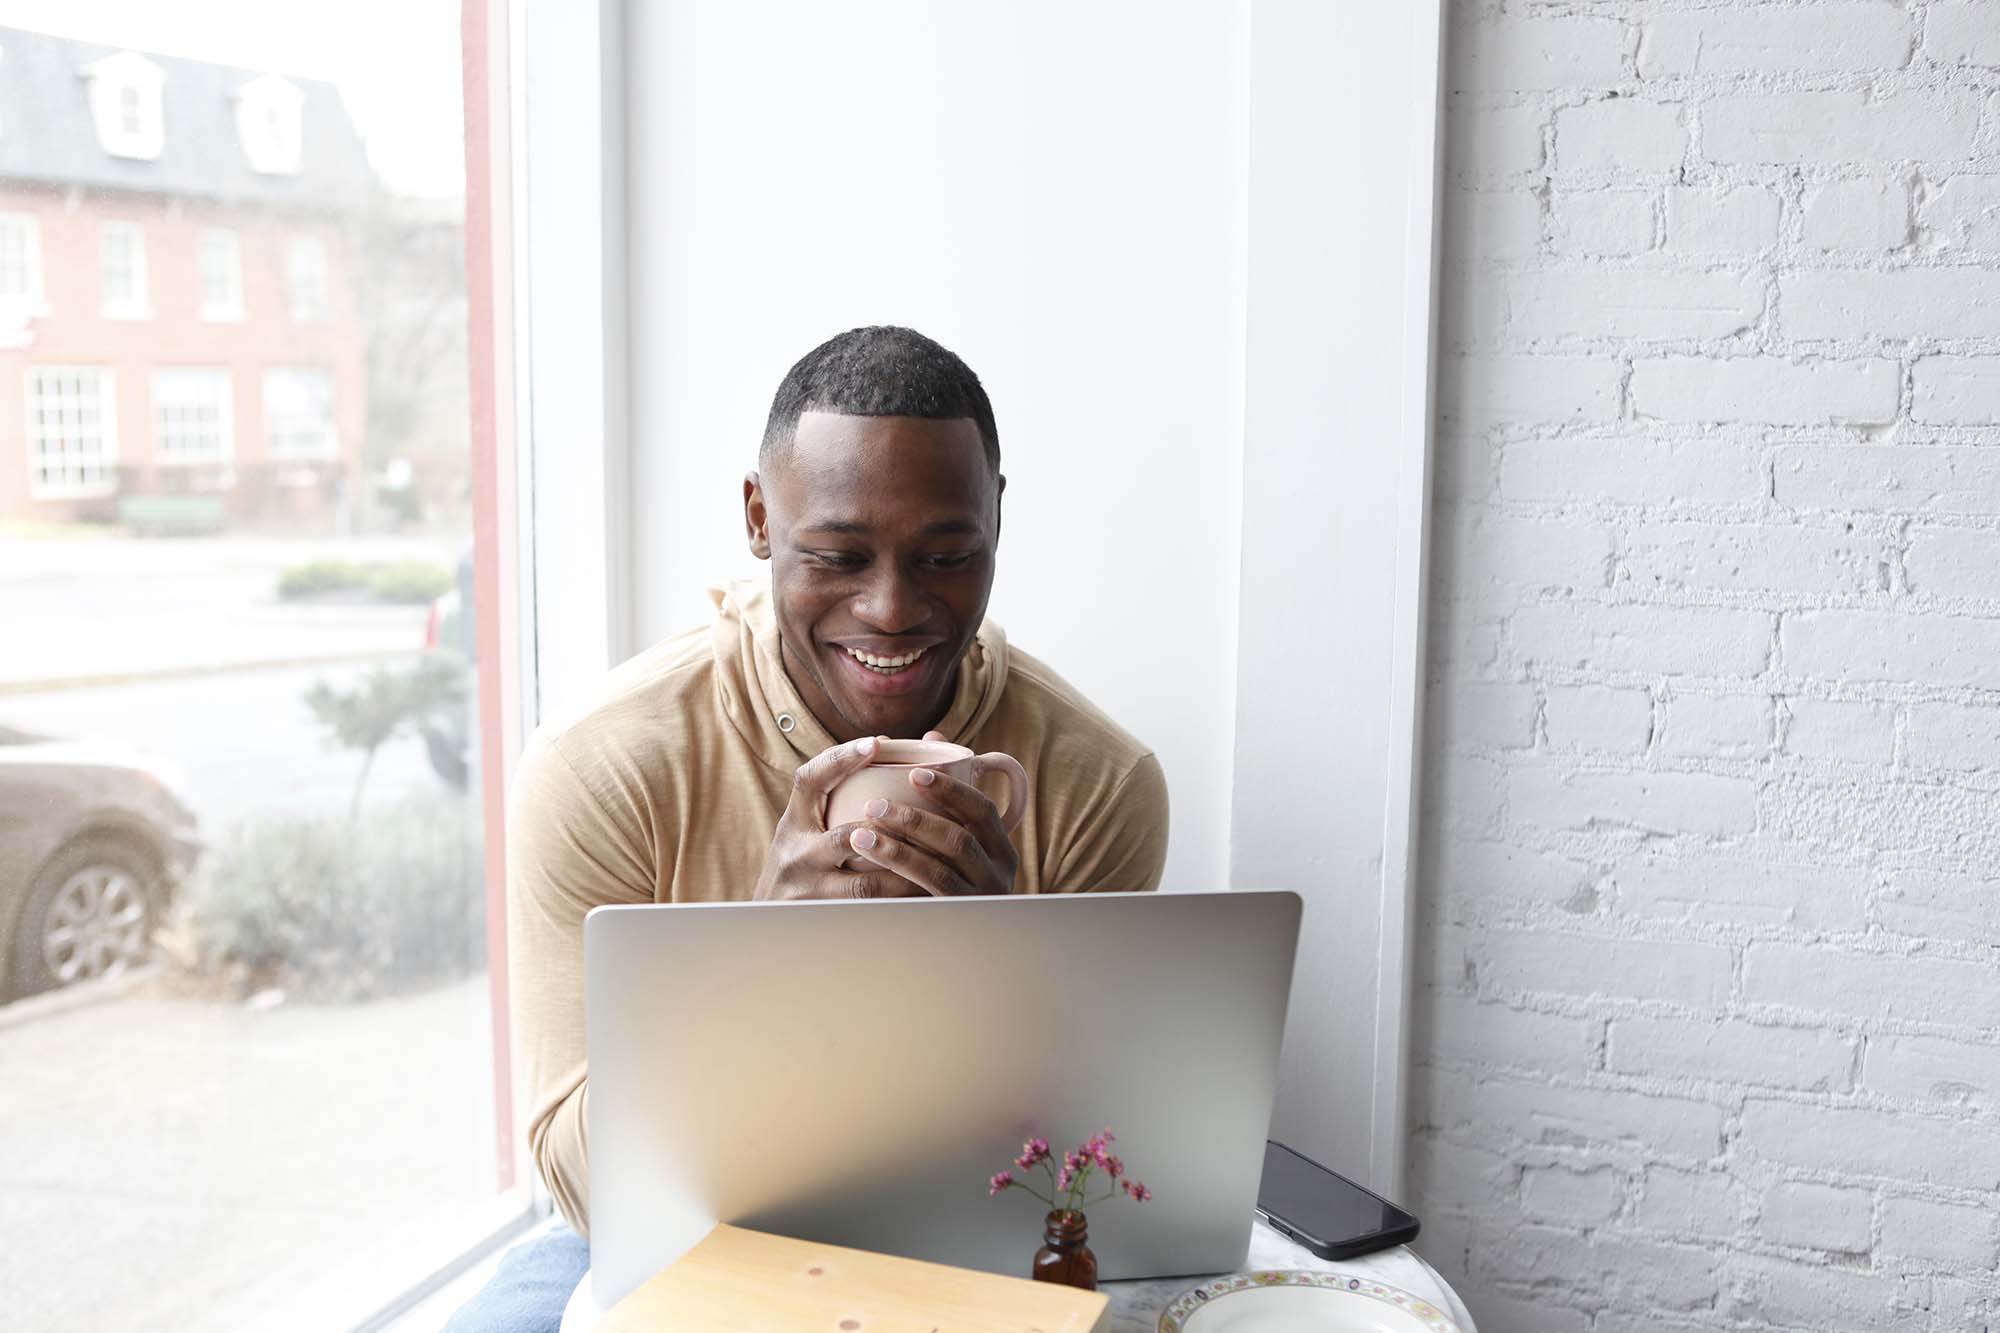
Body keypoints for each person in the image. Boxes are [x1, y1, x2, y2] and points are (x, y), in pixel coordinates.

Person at [445, 325, 1169, 1331]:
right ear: (757, 516)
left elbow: (1091, 1163)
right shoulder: (604, 765)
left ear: (997, 515)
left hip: (962, 1220)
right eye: (835, 556)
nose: (890, 609)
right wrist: (762, 956)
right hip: (672, 1224)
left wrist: (1007, 960)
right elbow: (584, 1182)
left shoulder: (1092, 779)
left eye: (946, 556)